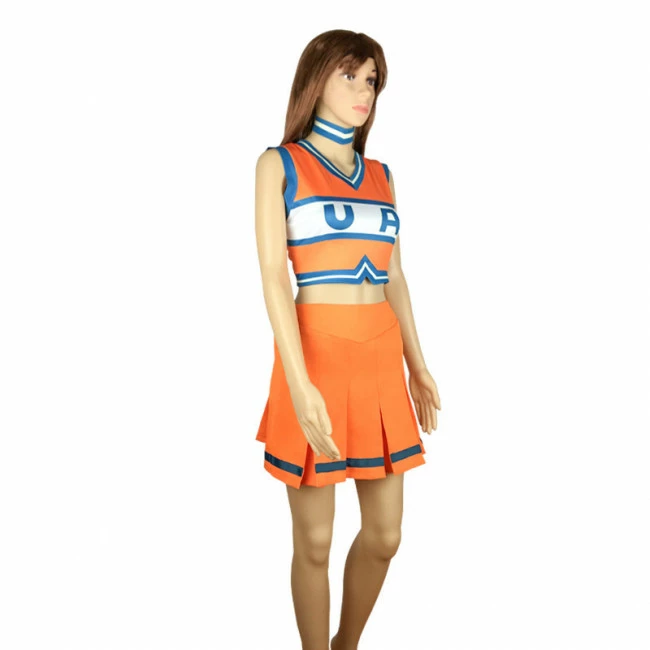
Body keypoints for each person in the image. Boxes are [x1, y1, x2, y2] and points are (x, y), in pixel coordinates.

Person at [254, 29, 441, 650]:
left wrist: (417, 363)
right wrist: (298, 381)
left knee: (386, 534)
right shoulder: (278, 165)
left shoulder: (382, 175)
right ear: (316, 79)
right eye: (350, 75)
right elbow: (274, 279)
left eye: (372, 80)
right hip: (315, 357)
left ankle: (346, 643)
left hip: (381, 359)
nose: (365, 91)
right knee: (314, 540)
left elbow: (394, 275)